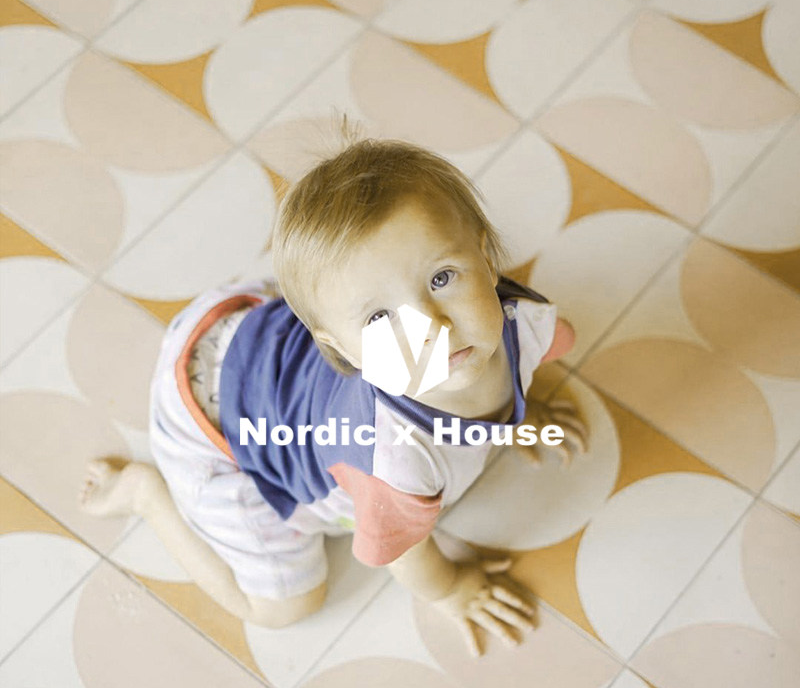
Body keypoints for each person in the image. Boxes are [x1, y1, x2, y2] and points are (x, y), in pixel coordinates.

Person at [80, 135, 587, 657]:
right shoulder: (393, 461)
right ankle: (144, 495)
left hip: (246, 328)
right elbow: (407, 555)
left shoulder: (526, 322)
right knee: (287, 606)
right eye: (381, 317)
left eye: (441, 278)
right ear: (343, 350)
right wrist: (452, 587)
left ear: (485, 255)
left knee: (349, 281)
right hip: (216, 429)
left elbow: (511, 363)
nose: (432, 327)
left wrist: (517, 413)